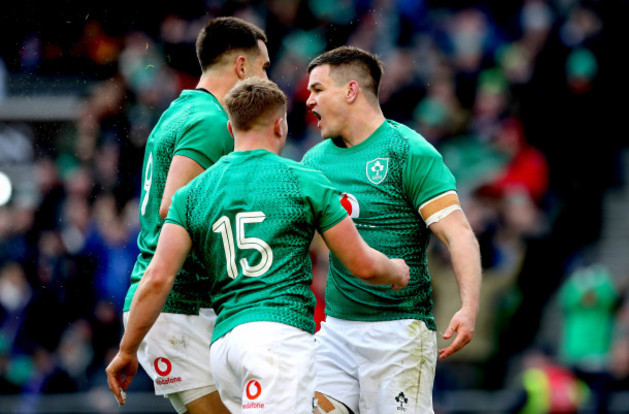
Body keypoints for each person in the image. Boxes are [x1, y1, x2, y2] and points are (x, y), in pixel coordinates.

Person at [106, 77, 410, 413]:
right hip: (277, 337)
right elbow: (362, 265)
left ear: (229, 128)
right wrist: (396, 270)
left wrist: (127, 349)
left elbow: (157, 278)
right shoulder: (305, 180)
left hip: (224, 347)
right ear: (280, 126)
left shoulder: (189, 195)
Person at [301, 46, 482, 414]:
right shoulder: (313, 162)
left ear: (351, 90)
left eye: (318, 89)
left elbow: (458, 234)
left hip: (398, 335)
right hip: (335, 331)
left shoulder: (408, 151)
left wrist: (469, 307)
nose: (308, 100)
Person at [106, 17, 270, 414]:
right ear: (242, 66)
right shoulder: (212, 121)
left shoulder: (179, 110)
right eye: (264, 68)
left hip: (183, 303)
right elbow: (173, 206)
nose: (268, 80)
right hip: (178, 305)